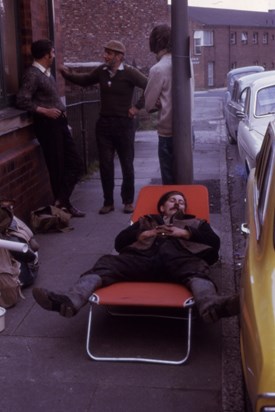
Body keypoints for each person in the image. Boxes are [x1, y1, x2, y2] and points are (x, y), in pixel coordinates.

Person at [32, 190, 239, 323]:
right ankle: (71, 300)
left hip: (181, 260)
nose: (178, 204)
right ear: (162, 207)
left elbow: (215, 244)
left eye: (181, 202)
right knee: (106, 263)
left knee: (198, 272)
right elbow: (119, 243)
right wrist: (142, 234)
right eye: (172, 201)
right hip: (141, 259)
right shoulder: (146, 221)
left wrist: (185, 233)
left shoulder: (196, 223)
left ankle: (211, 306)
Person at [59, 40, 147, 215]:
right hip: (104, 125)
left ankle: (128, 201)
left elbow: (150, 86)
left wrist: (137, 107)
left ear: (119, 56)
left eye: (109, 53)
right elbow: (84, 80)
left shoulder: (130, 73)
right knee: (105, 165)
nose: (104, 56)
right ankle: (108, 202)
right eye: (105, 52)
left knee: (127, 164)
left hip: (124, 124)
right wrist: (66, 74)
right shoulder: (101, 71)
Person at [16, 39, 85, 218]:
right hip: (47, 126)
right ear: (47, 54)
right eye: (53, 53)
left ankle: (61, 201)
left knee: (76, 164)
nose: (54, 56)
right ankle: (63, 206)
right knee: (57, 166)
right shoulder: (32, 74)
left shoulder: (47, 74)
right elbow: (22, 99)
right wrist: (44, 111)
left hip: (59, 123)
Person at [145, 24, 174, 184]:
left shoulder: (158, 69)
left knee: (169, 184)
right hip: (187, 132)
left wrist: (158, 102)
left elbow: (149, 105)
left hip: (167, 134)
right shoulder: (186, 63)